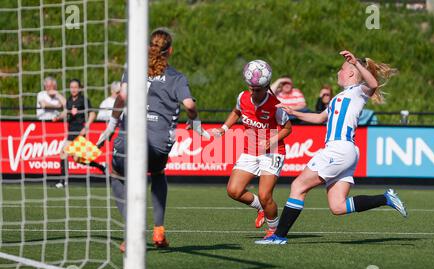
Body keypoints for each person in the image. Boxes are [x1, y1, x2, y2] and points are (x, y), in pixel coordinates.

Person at [256, 50, 405, 245]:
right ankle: (385, 198)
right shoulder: (339, 97)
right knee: (338, 206)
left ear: (351, 73)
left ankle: (279, 236)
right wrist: (294, 112)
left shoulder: (359, 91)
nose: (338, 73)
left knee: (298, 186)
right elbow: (319, 118)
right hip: (346, 152)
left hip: (339, 149)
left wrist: (356, 63)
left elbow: (374, 84)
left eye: (341, 69)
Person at [96, 28, 206, 250]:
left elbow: (122, 96)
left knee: (117, 176)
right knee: (157, 174)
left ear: (148, 48)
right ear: (170, 51)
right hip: (159, 141)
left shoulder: (133, 70)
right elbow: (190, 105)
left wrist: (111, 126)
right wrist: (195, 124)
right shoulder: (176, 77)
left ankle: (132, 232)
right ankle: (158, 230)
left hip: (130, 137)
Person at [212, 60, 292, 239]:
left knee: (265, 195)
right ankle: (260, 208)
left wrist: (272, 139)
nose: (254, 93)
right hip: (250, 150)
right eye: (251, 89)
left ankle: (274, 231)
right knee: (234, 191)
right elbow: (236, 112)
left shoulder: (275, 106)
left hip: (272, 151)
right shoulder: (242, 97)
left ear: (266, 87)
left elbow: (288, 128)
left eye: (258, 90)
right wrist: (224, 129)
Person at [53, 79, 105, 188]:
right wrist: (58, 117)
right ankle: (101, 167)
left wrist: (86, 127)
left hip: (80, 132)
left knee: (63, 153)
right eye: (71, 87)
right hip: (71, 131)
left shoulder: (83, 100)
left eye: (75, 87)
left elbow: (92, 114)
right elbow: (66, 112)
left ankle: (63, 181)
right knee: (77, 159)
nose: (73, 89)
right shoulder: (69, 100)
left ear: (80, 88)